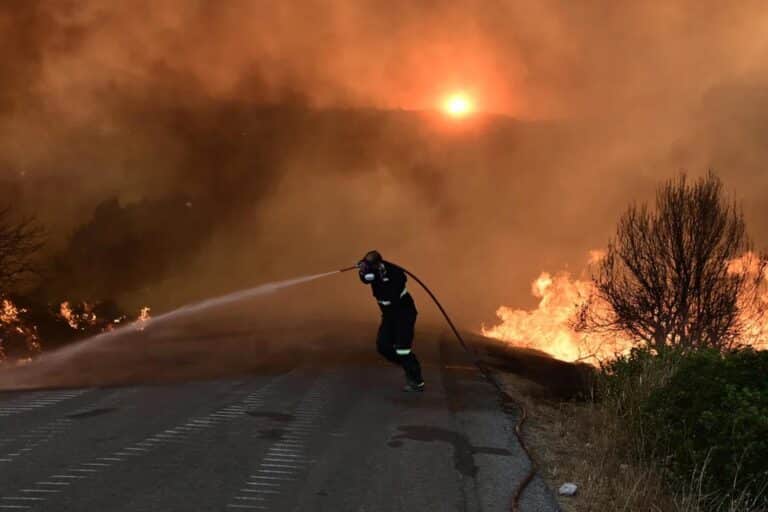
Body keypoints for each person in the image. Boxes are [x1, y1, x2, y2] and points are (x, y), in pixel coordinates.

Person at [357, 250, 425, 392]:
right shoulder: (372, 272)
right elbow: (365, 280)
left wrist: (383, 277)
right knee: (383, 346)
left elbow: (398, 286)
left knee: (403, 349)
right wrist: (362, 271)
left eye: (372, 267)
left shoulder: (394, 272)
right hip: (388, 315)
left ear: (379, 264)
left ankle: (416, 380)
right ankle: (408, 366)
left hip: (403, 312)